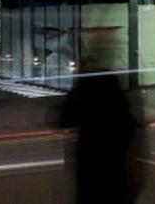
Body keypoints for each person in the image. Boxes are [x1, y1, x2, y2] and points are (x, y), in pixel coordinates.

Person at [59, 56, 148, 203]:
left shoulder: (84, 85)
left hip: (90, 162)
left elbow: (65, 118)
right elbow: (129, 124)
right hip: (115, 164)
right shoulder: (112, 84)